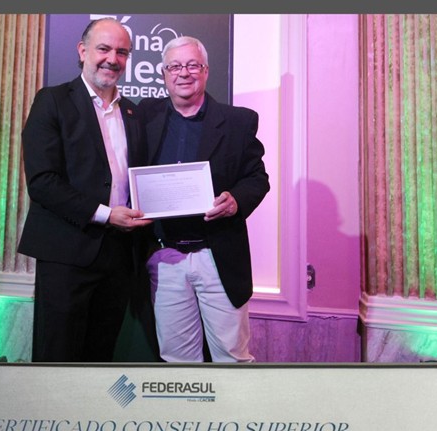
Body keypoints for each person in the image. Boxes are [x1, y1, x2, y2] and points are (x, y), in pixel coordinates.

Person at [18, 18, 152, 362]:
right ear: (82, 51)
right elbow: (42, 181)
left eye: (121, 52)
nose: (112, 59)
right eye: (103, 49)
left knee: (100, 358)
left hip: (118, 256)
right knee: (58, 358)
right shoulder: (52, 101)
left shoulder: (133, 112)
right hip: (67, 254)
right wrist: (107, 215)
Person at [138, 36, 269, 362]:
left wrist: (236, 200)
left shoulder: (238, 122)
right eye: (174, 66)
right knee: (177, 360)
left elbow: (257, 179)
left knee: (232, 358)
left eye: (192, 65)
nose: (183, 73)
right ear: (164, 74)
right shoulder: (144, 116)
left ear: (206, 71)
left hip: (217, 255)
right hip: (165, 256)